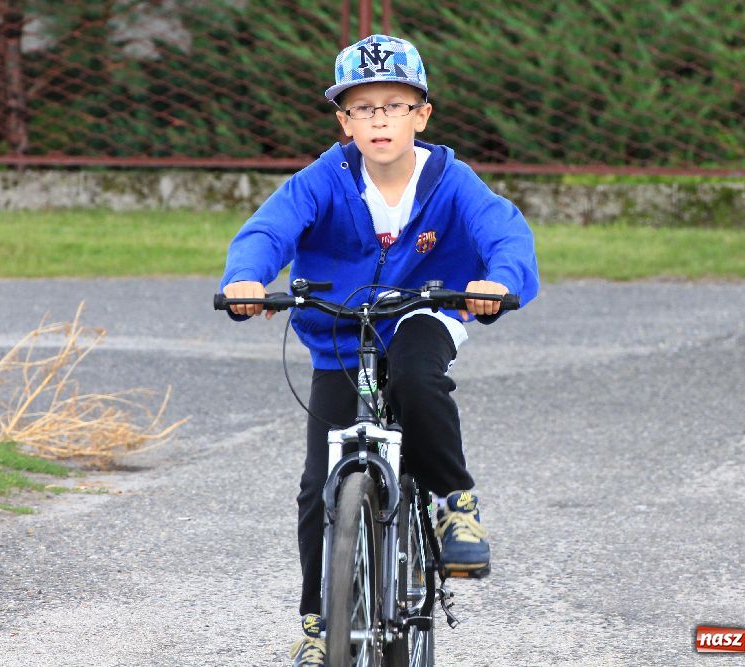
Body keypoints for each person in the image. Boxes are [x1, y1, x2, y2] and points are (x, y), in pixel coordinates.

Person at [219, 34, 539, 666]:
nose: (380, 119)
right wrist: (246, 278)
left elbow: (505, 231)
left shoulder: (451, 179)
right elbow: (268, 228)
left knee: (419, 381)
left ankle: (455, 505)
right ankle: (318, 623)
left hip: (425, 310)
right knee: (318, 486)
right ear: (345, 121)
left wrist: (497, 282)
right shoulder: (324, 178)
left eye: (394, 106)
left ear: (421, 115)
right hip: (341, 326)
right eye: (364, 109)